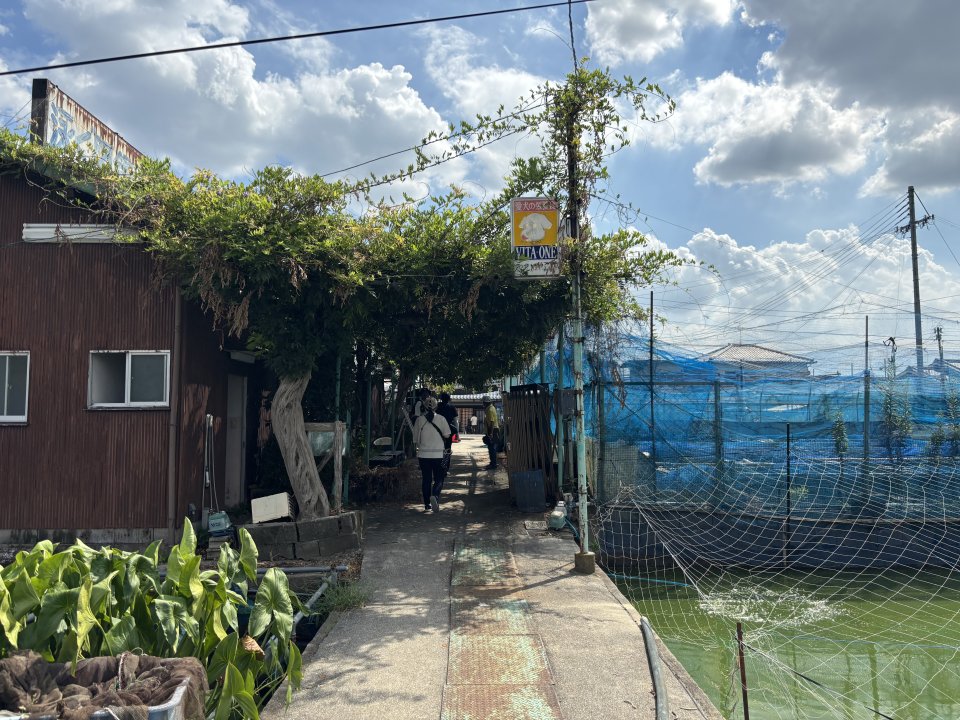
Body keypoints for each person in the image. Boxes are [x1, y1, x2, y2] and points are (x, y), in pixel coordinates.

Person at [413, 395, 451, 512]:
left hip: (423, 455)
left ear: (424, 407)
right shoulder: (441, 419)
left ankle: (427, 504)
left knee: (426, 479)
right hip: (438, 455)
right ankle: (435, 495)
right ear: (436, 407)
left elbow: (415, 439)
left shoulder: (419, 420)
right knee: (439, 478)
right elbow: (447, 435)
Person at [483, 396, 500, 469]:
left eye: (483, 402)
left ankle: (493, 464)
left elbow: (491, 422)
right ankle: (493, 463)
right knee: (492, 448)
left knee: (491, 448)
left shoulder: (489, 410)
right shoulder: (492, 408)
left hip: (493, 430)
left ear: (485, 403)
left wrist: (490, 433)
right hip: (494, 430)